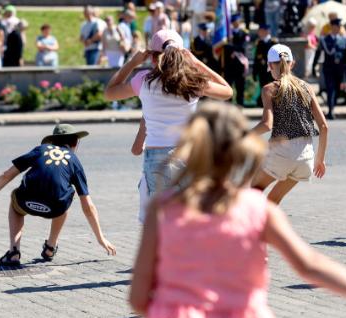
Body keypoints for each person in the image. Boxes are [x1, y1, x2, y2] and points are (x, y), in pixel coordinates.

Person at [130, 102, 346, 318]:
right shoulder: (256, 209)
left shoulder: (164, 209)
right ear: (238, 152)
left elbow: (138, 296)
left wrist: (177, 308)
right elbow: (312, 266)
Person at [103, 29, 232, 218]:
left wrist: (132, 63)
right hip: (188, 153)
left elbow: (109, 93)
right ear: (182, 55)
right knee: (189, 217)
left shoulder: (144, 80)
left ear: (153, 57)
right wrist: (197, 63)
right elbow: (227, 91)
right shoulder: (192, 80)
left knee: (162, 222)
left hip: (156, 154)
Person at [0, 124, 116, 266]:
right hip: (55, 208)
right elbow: (88, 206)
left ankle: (14, 252)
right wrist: (100, 237)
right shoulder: (74, 161)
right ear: (75, 143)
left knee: (15, 200)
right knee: (65, 197)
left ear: (52, 141)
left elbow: (6, 175)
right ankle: (50, 248)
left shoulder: (40, 150)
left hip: (26, 202)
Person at [252, 44, 328, 204]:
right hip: (306, 158)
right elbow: (323, 126)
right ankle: (267, 228)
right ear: (292, 63)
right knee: (273, 200)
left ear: (270, 65)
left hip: (281, 154)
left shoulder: (269, 89)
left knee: (253, 192)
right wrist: (320, 159)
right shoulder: (307, 87)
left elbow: (267, 124)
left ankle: (249, 228)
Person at [313, 18, 346, 120]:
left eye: (338, 27)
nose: (337, 29)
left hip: (340, 69)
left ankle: (332, 106)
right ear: (332, 27)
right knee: (331, 89)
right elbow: (318, 53)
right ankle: (330, 111)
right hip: (329, 68)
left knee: (337, 90)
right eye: (335, 27)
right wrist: (314, 66)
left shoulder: (344, 40)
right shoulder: (325, 40)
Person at [224, 14, 249, 106]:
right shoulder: (227, 34)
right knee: (228, 88)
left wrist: (233, 49)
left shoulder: (244, 33)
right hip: (229, 66)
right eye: (234, 22)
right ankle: (228, 108)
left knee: (240, 89)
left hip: (240, 66)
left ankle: (240, 107)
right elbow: (225, 47)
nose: (235, 24)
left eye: (237, 22)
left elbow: (243, 47)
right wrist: (233, 48)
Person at [253, 24, 276, 107]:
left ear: (266, 31)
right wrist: (254, 72)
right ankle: (263, 102)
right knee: (263, 86)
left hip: (272, 69)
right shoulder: (259, 42)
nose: (259, 33)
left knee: (272, 86)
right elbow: (256, 58)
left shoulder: (273, 42)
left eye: (261, 31)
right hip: (262, 70)